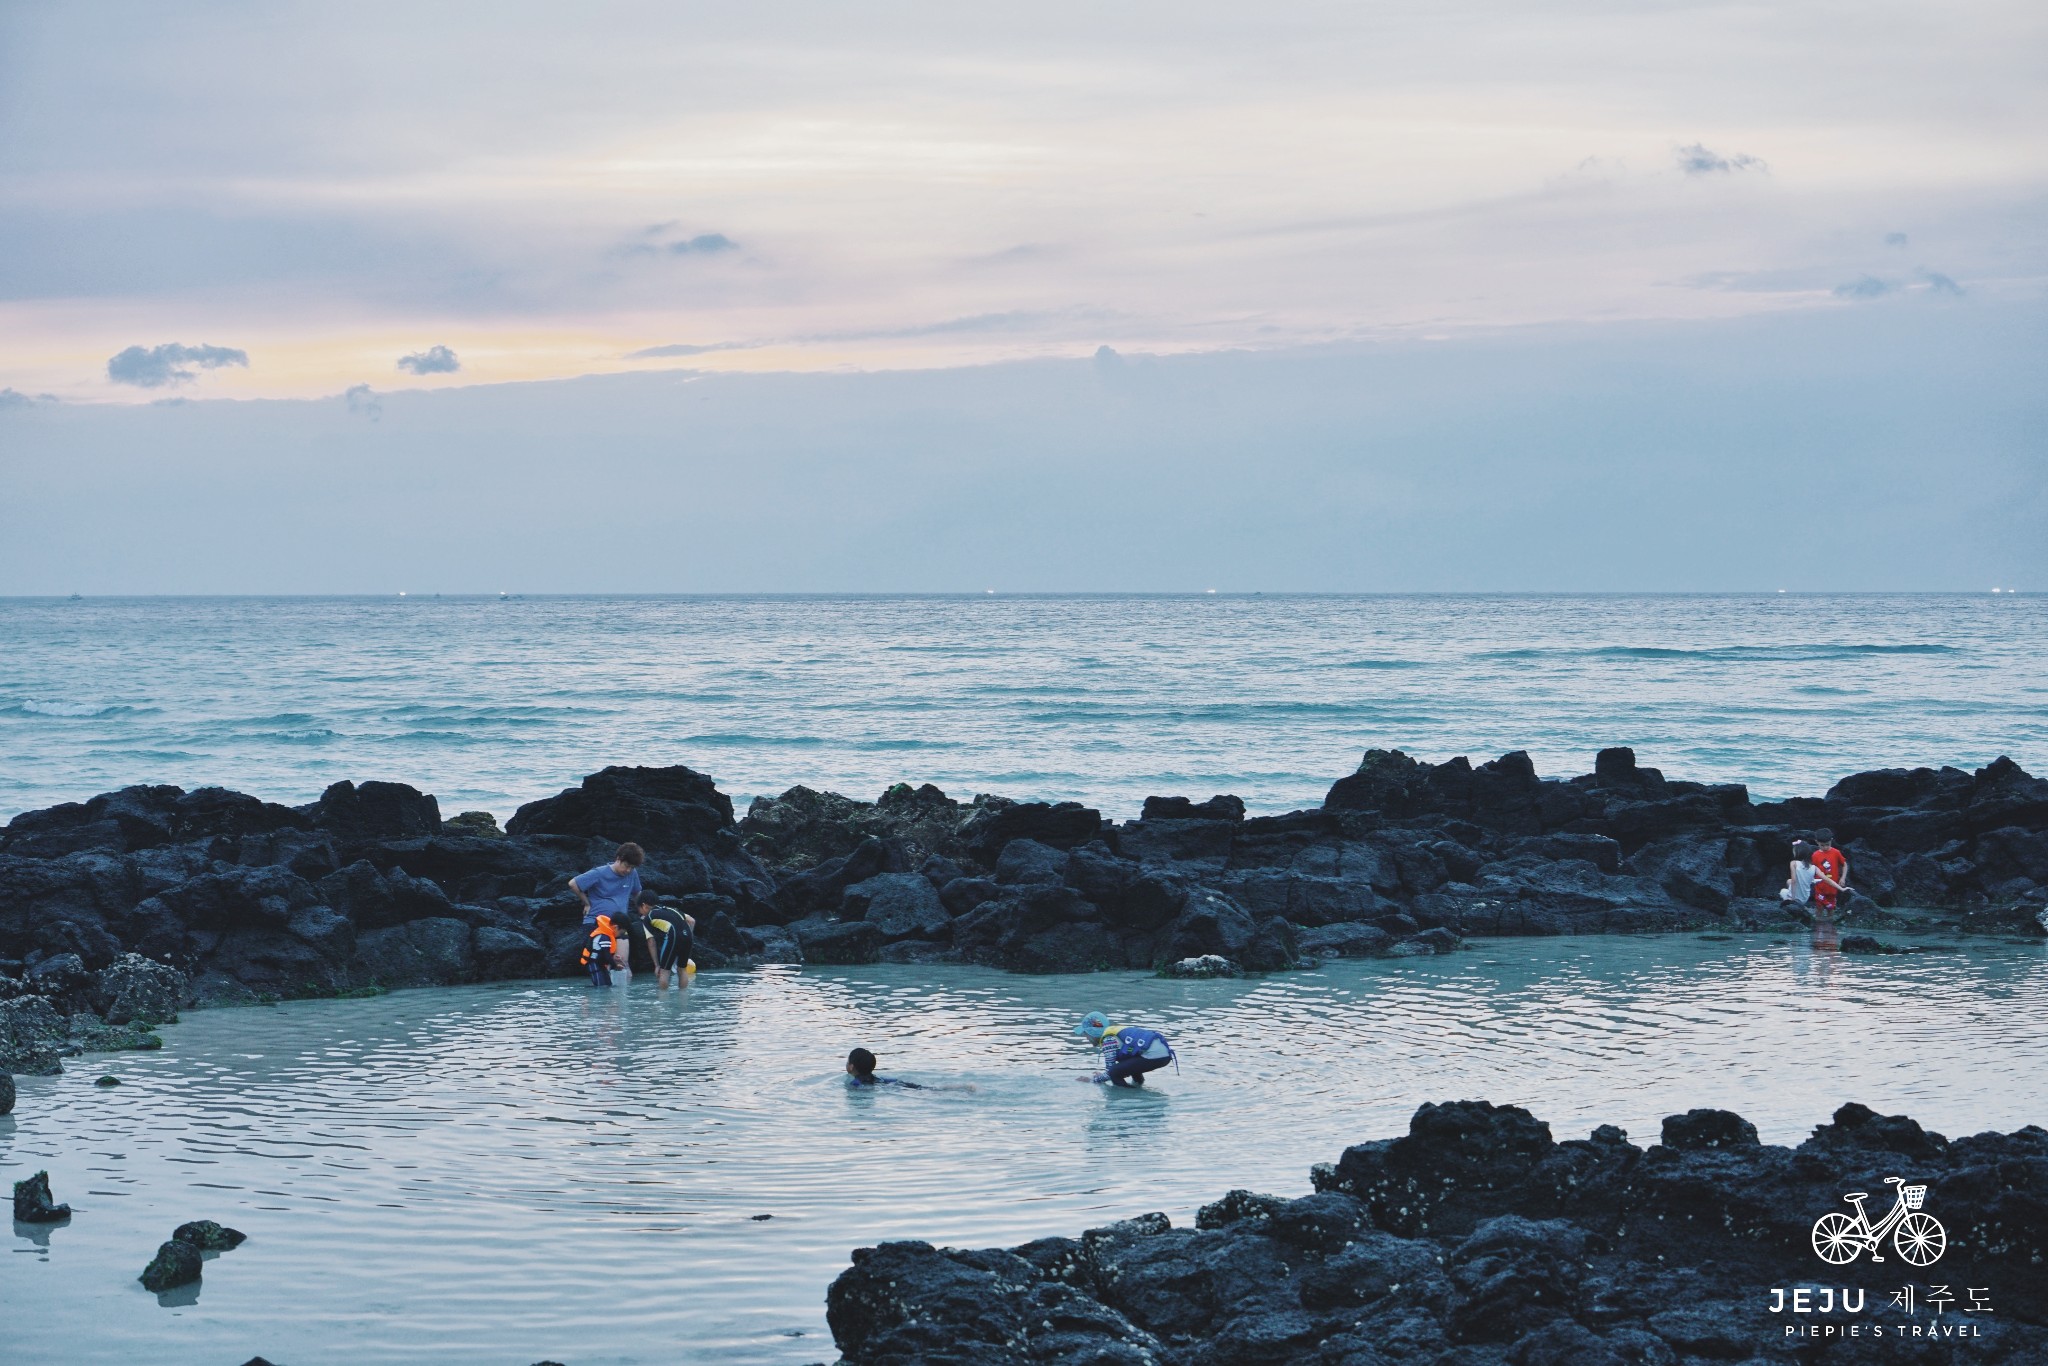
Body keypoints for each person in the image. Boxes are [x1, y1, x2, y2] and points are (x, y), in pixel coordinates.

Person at [570, 843, 644, 976]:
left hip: (620, 925)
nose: (628, 870)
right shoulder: (599, 873)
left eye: (632, 868)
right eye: (626, 866)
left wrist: (642, 912)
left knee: (623, 964)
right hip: (597, 924)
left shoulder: (632, 874)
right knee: (604, 966)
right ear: (619, 858)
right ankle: (603, 996)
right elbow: (573, 883)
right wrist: (586, 903)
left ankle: (625, 996)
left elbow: (637, 893)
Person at [1074, 1010, 1177, 1087]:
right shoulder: (1113, 1033)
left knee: (1115, 1072)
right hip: (1164, 1055)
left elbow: (1110, 1072)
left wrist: (1091, 1080)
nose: (1086, 1038)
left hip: (1155, 1056)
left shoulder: (1108, 1040)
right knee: (1127, 1065)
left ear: (1092, 1032)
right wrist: (1103, 1075)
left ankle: (1130, 1099)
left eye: (1085, 1034)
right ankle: (1138, 1088)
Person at [637, 893, 697, 989]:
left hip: (673, 936)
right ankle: (683, 1000)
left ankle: (664, 1002)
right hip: (688, 936)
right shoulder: (671, 909)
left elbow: (651, 942)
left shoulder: (648, 917)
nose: (640, 913)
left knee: (664, 971)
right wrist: (687, 937)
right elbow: (691, 921)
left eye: (639, 910)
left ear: (644, 906)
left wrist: (657, 965)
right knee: (682, 969)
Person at [1810, 828, 1851, 918]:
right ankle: (1818, 926)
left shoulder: (1836, 853)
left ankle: (1830, 927)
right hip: (1819, 887)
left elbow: (1844, 865)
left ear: (1831, 840)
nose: (1825, 847)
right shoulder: (1815, 855)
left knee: (1831, 908)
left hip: (1832, 887)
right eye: (1822, 845)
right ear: (1816, 842)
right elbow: (1811, 870)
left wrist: (1843, 877)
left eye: (1827, 845)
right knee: (1819, 907)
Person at [845, 1047, 925, 1089]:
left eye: (848, 1061)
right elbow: (897, 1081)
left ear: (851, 1067)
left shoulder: (855, 1083)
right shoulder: (881, 1079)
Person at [582, 914, 623, 987]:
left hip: (599, 964)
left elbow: (605, 954)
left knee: (608, 985)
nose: (620, 935)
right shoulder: (604, 937)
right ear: (616, 927)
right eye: (621, 932)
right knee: (601, 986)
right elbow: (606, 955)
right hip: (593, 964)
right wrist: (615, 965)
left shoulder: (606, 934)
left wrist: (613, 960)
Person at [1780, 841, 1817, 909]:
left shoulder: (1793, 863)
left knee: (1783, 891)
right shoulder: (1813, 867)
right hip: (1805, 898)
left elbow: (1794, 881)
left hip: (1796, 899)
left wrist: (1793, 899)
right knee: (1789, 881)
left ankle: (1789, 901)